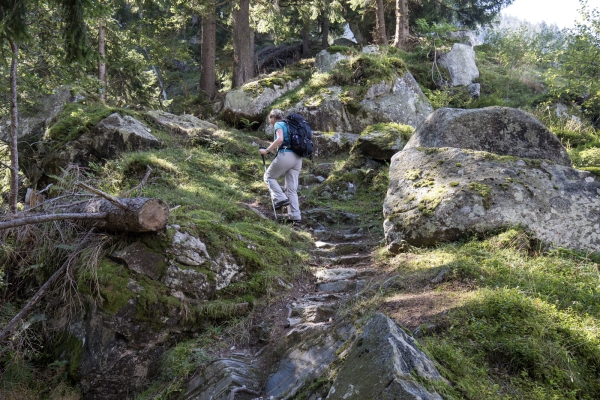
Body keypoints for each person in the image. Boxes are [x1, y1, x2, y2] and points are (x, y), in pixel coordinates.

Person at [259, 109, 302, 224]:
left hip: (286, 154)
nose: (270, 121)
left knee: (268, 177)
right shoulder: (291, 125)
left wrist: (267, 150)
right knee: (291, 189)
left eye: (270, 118)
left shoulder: (279, 124)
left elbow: (280, 139)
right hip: (298, 157)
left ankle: (280, 198)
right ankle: (295, 217)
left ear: (273, 117)